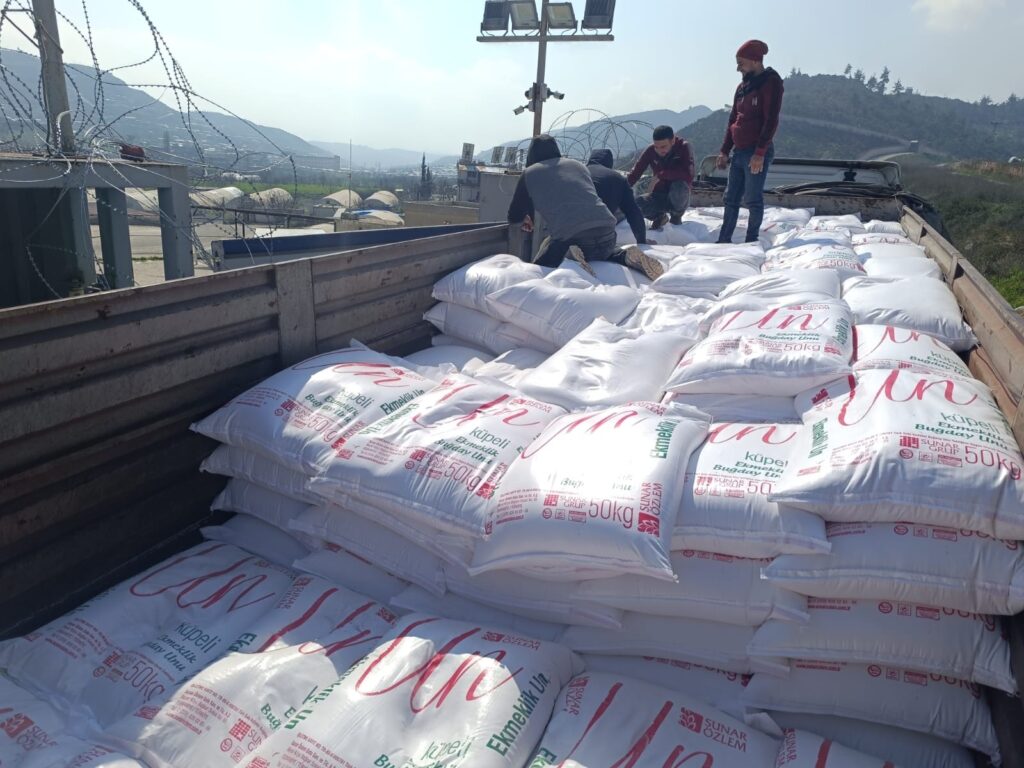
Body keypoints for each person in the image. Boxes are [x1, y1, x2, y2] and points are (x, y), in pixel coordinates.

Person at [507, 134, 618, 269]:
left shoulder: (529, 173)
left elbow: (514, 216)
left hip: (573, 240)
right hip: (609, 235)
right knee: (557, 243)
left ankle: (573, 255)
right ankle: (619, 255)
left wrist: (524, 219)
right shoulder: (578, 166)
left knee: (537, 271)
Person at [716, 39, 784, 244]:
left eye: (741, 63)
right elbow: (733, 119)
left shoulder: (770, 82)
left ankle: (751, 240)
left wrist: (760, 152)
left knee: (752, 199)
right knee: (731, 198)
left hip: (755, 151)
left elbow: (771, 119)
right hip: (739, 150)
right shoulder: (742, 87)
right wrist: (724, 150)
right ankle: (724, 239)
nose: (738, 68)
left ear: (755, 61)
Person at [626, 125, 695, 230]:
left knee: (679, 185)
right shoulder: (650, 150)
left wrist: (661, 175)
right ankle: (660, 217)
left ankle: (676, 218)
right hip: (658, 194)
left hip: (678, 195)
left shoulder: (684, 147)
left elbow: (688, 175)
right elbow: (635, 173)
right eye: (656, 147)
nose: (659, 150)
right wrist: (621, 189)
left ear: (672, 141)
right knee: (635, 205)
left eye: (663, 147)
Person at [586, 148, 650, 245]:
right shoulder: (617, 178)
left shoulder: (577, 173)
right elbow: (633, 212)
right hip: (600, 229)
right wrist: (642, 241)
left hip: (571, 226)